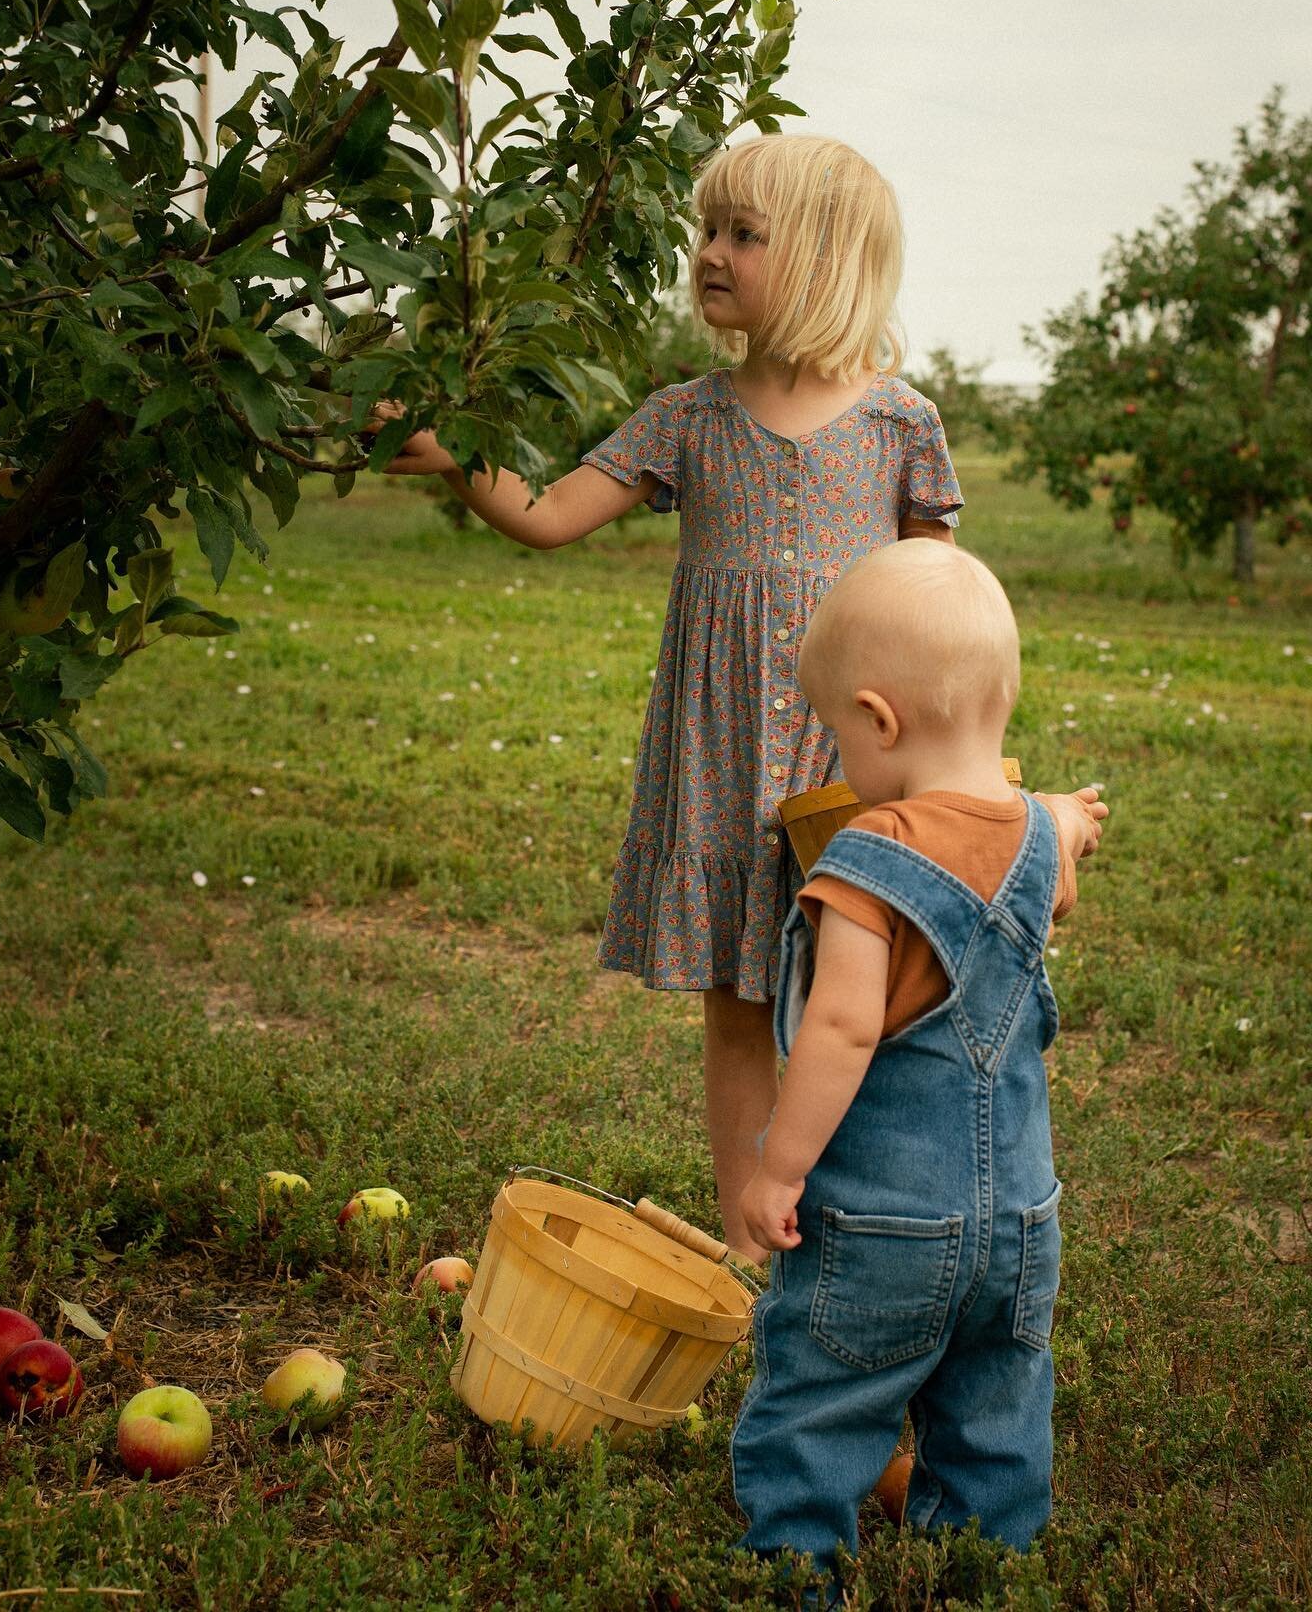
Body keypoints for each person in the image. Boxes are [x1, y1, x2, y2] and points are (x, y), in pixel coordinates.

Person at [369, 130, 1095, 1264]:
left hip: (856, 757)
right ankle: (754, 1249)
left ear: (821, 257)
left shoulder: (902, 425)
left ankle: (870, 1216)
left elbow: (945, 620)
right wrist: (456, 453)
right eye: (706, 229)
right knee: (740, 1008)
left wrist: (963, 783)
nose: (707, 252)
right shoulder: (687, 418)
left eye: (741, 234)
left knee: (868, 987)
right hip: (718, 755)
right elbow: (550, 514)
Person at [729, 539, 1107, 1596]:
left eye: (840, 734)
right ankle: (982, 1570)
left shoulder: (866, 862)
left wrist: (776, 1170)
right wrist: (1069, 820)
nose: (840, 759)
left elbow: (845, 1031)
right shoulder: (1037, 837)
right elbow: (1054, 860)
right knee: (995, 1405)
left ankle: (794, 1574)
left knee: (820, 1403)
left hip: (887, 1226)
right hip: (1023, 1225)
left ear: (881, 721)